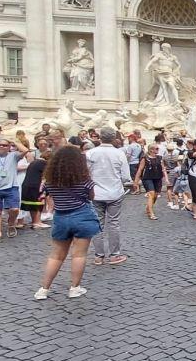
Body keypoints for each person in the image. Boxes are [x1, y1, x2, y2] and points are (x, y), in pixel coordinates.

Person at [34, 145, 101, 300]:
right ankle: (75, 288)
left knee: (56, 255)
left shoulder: (50, 180)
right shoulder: (84, 179)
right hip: (82, 215)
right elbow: (91, 197)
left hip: (61, 217)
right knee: (79, 255)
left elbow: (48, 195)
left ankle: (44, 289)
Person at [87, 127, 132, 264]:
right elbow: (125, 177)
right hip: (114, 193)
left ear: (100, 137)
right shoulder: (119, 154)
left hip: (95, 193)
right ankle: (114, 254)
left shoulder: (91, 153)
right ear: (113, 138)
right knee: (114, 223)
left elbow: (85, 173)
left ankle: (98, 255)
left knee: (97, 223)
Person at [0, 136, 29, 242]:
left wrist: (13, 141)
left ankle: (11, 223)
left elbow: (25, 150)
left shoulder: (13, 156)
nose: (2, 147)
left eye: (5, 145)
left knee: (14, 209)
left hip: (11, 187)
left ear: (9, 147)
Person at [133, 143, 167, 220]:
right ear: (151, 150)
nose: (158, 150)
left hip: (157, 178)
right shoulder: (145, 158)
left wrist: (166, 179)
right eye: (156, 148)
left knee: (155, 195)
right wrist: (136, 181)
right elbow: (140, 169)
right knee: (151, 193)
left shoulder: (159, 158)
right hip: (147, 178)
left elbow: (163, 169)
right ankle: (151, 213)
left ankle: (149, 207)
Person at [20, 149, 49, 230]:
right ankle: (37, 222)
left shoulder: (34, 162)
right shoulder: (44, 163)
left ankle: (34, 222)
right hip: (37, 186)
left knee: (32, 205)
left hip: (27, 185)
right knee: (38, 204)